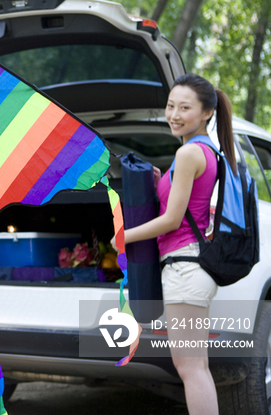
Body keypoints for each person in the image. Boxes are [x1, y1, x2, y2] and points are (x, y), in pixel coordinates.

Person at [118, 74, 236, 415]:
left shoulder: (189, 154)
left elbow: (172, 221)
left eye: (185, 108)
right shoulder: (203, 152)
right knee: (196, 367)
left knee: (192, 370)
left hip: (185, 270)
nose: (174, 114)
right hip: (190, 269)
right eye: (171, 106)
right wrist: (159, 182)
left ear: (206, 113)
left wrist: (123, 237)